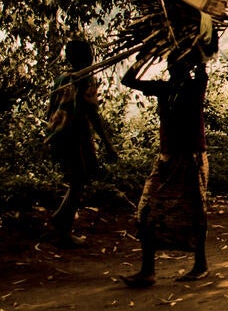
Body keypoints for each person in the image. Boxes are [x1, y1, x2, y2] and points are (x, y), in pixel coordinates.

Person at [120, 45, 211, 286]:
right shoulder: (165, 88)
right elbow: (128, 80)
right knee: (147, 210)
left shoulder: (195, 86)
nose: (171, 66)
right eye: (170, 62)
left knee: (194, 211)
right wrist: (143, 56)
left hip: (191, 157)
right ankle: (147, 270)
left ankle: (200, 265)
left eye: (176, 62)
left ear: (187, 65)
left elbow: (204, 59)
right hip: (167, 158)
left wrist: (199, 45)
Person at [44, 38, 116, 247]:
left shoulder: (61, 78)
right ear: (87, 57)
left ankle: (60, 219)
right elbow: (92, 113)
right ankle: (63, 229)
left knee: (79, 179)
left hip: (61, 134)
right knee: (79, 180)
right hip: (74, 135)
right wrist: (108, 144)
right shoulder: (85, 79)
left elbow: (51, 111)